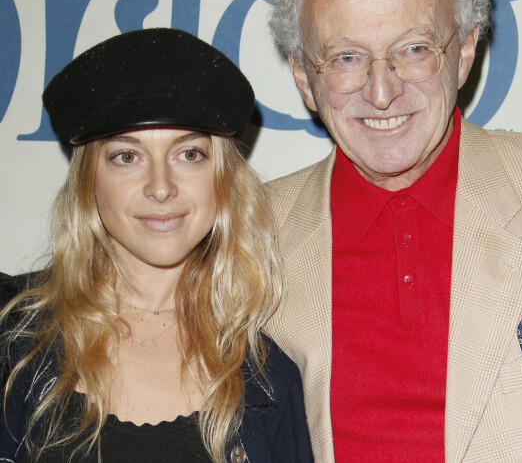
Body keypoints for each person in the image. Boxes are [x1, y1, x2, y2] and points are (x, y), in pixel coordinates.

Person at [264, 0, 522, 462]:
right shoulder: (245, 235)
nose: (381, 91)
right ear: (304, 79)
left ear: (463, 52)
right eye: (345, 57)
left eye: (412, 49)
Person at [0, 28, 314, 463]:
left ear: (222, 181)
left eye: (189, 154)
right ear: (90, 181)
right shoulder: (14, 342)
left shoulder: (268, 381)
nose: (161, 187)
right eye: (127, 156)